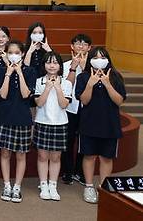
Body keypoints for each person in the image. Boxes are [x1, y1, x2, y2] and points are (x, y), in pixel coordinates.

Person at [75, 47, 126, 204]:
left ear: (108, 59)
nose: (99, 59)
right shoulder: (83, 77)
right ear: (90, 59)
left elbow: (119, 101)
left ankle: (104, 188)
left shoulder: (116, 77)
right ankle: (89, 186)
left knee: (106, 157)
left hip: (109, 124)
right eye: (95, 57)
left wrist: (107, 84)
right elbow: (84, 100)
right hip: (89, 124)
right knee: (89, 155)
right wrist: (90, 84)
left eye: (102, 57)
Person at [0, 40, 37, 203]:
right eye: (10, 52)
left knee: (21, 155)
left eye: (17, 52)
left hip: (23, 117)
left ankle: (17, 186)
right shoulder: (0, 71)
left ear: (23, 54)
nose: (13, 55)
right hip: (5, 116)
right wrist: (8, 74)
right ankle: (7, 185)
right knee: (5, 153)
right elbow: (2, 95)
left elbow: (27, 94)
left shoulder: (30, 71)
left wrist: (19, 73)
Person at [33, 50, 73, 201]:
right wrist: (48, 87)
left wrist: (57, 87)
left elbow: (64, 104)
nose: (52, 65)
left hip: (60, 123)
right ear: (44, 65)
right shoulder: (39, 81)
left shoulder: (67, 83)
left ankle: (53, 185)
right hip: (42, 122)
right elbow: (39, 103)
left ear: (60, 66)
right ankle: (43, 185)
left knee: (56, 157)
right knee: (43, 156)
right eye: (49, 62)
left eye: (55, 62)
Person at [61, 34, 91, 185]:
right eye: (78, 44)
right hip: (70, 108)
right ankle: (67, 171)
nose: (81, 46)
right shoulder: (65, 65)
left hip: (88, 109)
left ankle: (80, 171)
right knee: (68, 140)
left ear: (89, 48)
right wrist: (74, 67)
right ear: (72, 46)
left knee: (84, 140)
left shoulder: (94, 67)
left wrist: (85, 68)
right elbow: (66, 87)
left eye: (85, 44)